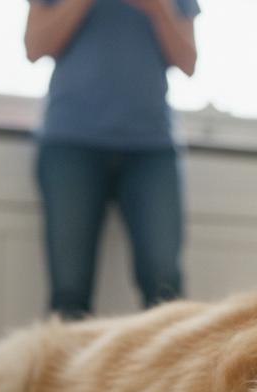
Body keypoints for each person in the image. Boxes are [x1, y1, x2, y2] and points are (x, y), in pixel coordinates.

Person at [24, 0, 199, 318]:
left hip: (151, 148)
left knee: (165, 286)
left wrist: (158, 8)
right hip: (71, 144)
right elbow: (35, 47)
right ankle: (65, 368)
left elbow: (188, 62)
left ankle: (168, 368)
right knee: (69, 290)